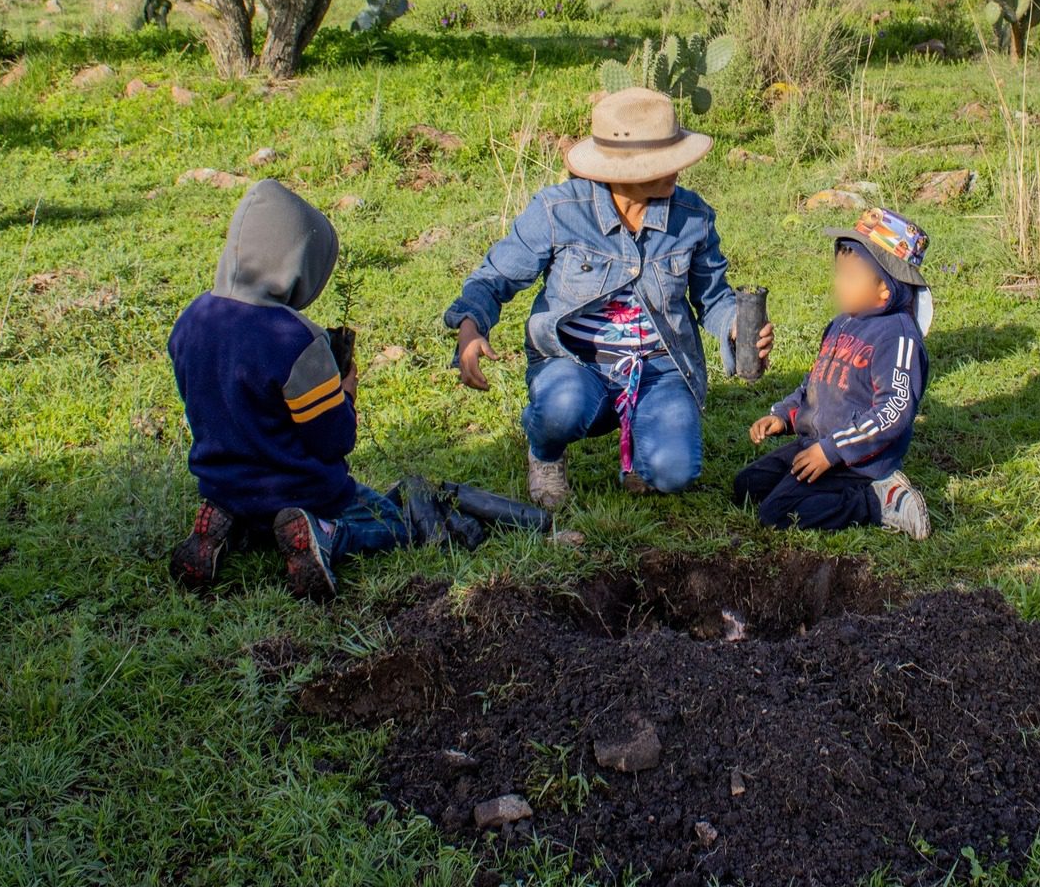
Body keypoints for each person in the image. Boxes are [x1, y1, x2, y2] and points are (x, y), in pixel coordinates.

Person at [445, 88, 775, 510]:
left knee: (675, 472)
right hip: (575, 362)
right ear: (617, 170)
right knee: (563, 406)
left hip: (659, 367)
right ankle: (544, 453)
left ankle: (642, 435)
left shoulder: (693, 217)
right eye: (659, 162)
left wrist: (735, 326)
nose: (675, 168)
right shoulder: (558, 211)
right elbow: (494, 277)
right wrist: (471, 328)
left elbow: (712, 299)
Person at [166, 179, 450, 601]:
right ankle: (325, 532)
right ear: (297, 262)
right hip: (300, 490)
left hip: (223, 484)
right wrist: (345, 394)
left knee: (248, 509)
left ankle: (224, 524)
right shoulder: (294, 339)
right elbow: (332, 438)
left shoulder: (192, 319)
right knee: (390, 522)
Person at [735, 207, 933, 539]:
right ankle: (826, 483)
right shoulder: (842, 323)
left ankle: (878, 501)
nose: (838, 284)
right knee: (747, 487)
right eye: (839, 272)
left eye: (851, 276)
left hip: (855, 460)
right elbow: (815, 384)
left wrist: (833, 451)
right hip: (815, 443)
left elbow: (893, 412)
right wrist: (784, 416)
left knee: (775, 512)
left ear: (886, 288)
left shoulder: (898, 338)